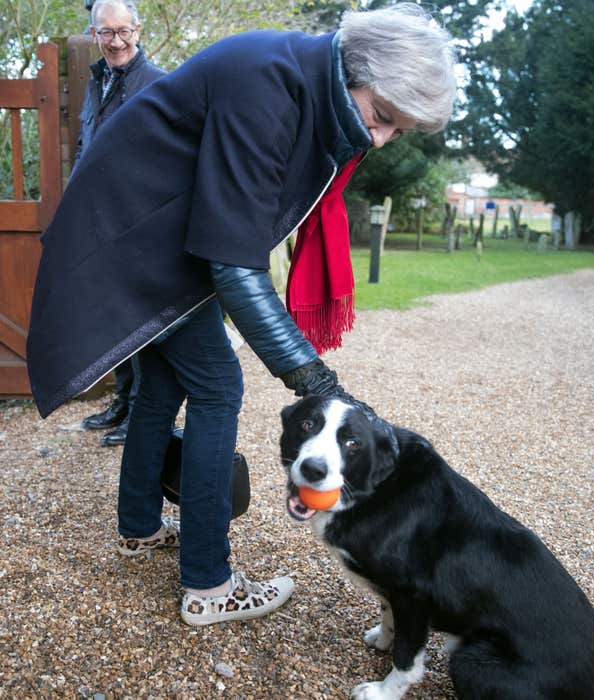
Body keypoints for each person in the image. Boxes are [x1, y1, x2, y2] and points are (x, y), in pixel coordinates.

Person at [27, 3, 456, 626]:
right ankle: (209, 582)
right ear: (356, 70)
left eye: (399, 131)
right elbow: (234, 264)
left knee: (166, 382)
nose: (381, 139)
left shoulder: (293, 74)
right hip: (134, 245)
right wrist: (315, 381)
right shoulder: (267, 84)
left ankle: (139, 526)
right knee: (218, 386)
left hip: (141, 239)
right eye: (383, 117)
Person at [77, 0, 165, 446]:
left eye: (123, 32)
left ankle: (143, 416)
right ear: (94, 34)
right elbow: (85, 147)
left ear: (138, 30)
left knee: (142, 326)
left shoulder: (159, 84)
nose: (115, 42)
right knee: (115, 320)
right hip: (100, 225)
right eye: (106, 33)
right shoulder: (97, 81)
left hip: (140, 229)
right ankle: (123, 402)